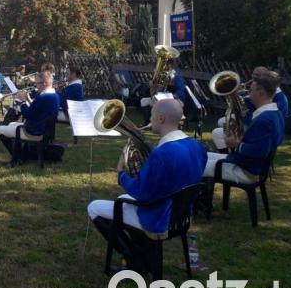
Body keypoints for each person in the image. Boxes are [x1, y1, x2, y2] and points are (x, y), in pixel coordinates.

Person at [87, 99, 207, 275]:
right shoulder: (197, 146)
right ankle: (144, 254)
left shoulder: (162, 153)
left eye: (151, 115)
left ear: (161, 118)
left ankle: (135, 260)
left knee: (94, 207)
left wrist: (121, 174)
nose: (149, 119)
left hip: (158, 217)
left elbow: (142, 194)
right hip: (181, 215)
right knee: (121, 201)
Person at [203, 75, 284, 184]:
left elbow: (259, 151)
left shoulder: (264, 120)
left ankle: (199, 199)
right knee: (201, 156)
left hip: (246, 171)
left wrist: (236, 144)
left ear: (261, 93)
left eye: (251, 90)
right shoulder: (275, 113)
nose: (249, 94)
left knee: (195, 164)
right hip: (244, 164)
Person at [211, 67, 289, 151]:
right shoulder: (264, 93)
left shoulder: (277, 100)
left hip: (252, 124)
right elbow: (248, 103)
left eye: (257, 76)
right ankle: (229, 150)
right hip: (251, 121)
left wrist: (242, 115)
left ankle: (228, 153)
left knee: (218, 132)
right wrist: (236, 98)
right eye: (253, 75)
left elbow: (258, 119)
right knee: (222, 122)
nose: (253, 78)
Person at [0, 72, 60, 159]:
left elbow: (27, 114)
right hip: (44, 129)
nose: (36, 86)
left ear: (44, 83)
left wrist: (22, 102)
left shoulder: (42, 97)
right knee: (11, 124)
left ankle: (18, 157)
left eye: (37, 83)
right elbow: (39, 110)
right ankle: (22, 154)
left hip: (34, 130)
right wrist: (28, 100)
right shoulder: (55, 95)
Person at [139, 60, 186, 126]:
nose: (162, 67)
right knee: (143, 101)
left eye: (164, 65)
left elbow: (180, 92)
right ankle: (147, 122)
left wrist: (169, 96)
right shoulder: (164, 76)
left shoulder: (177, 76)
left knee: (157, 100)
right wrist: (153, 85)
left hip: (177, 100)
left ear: (170, 66)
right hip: (162, 99)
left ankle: (156, 123)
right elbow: (159, 91)